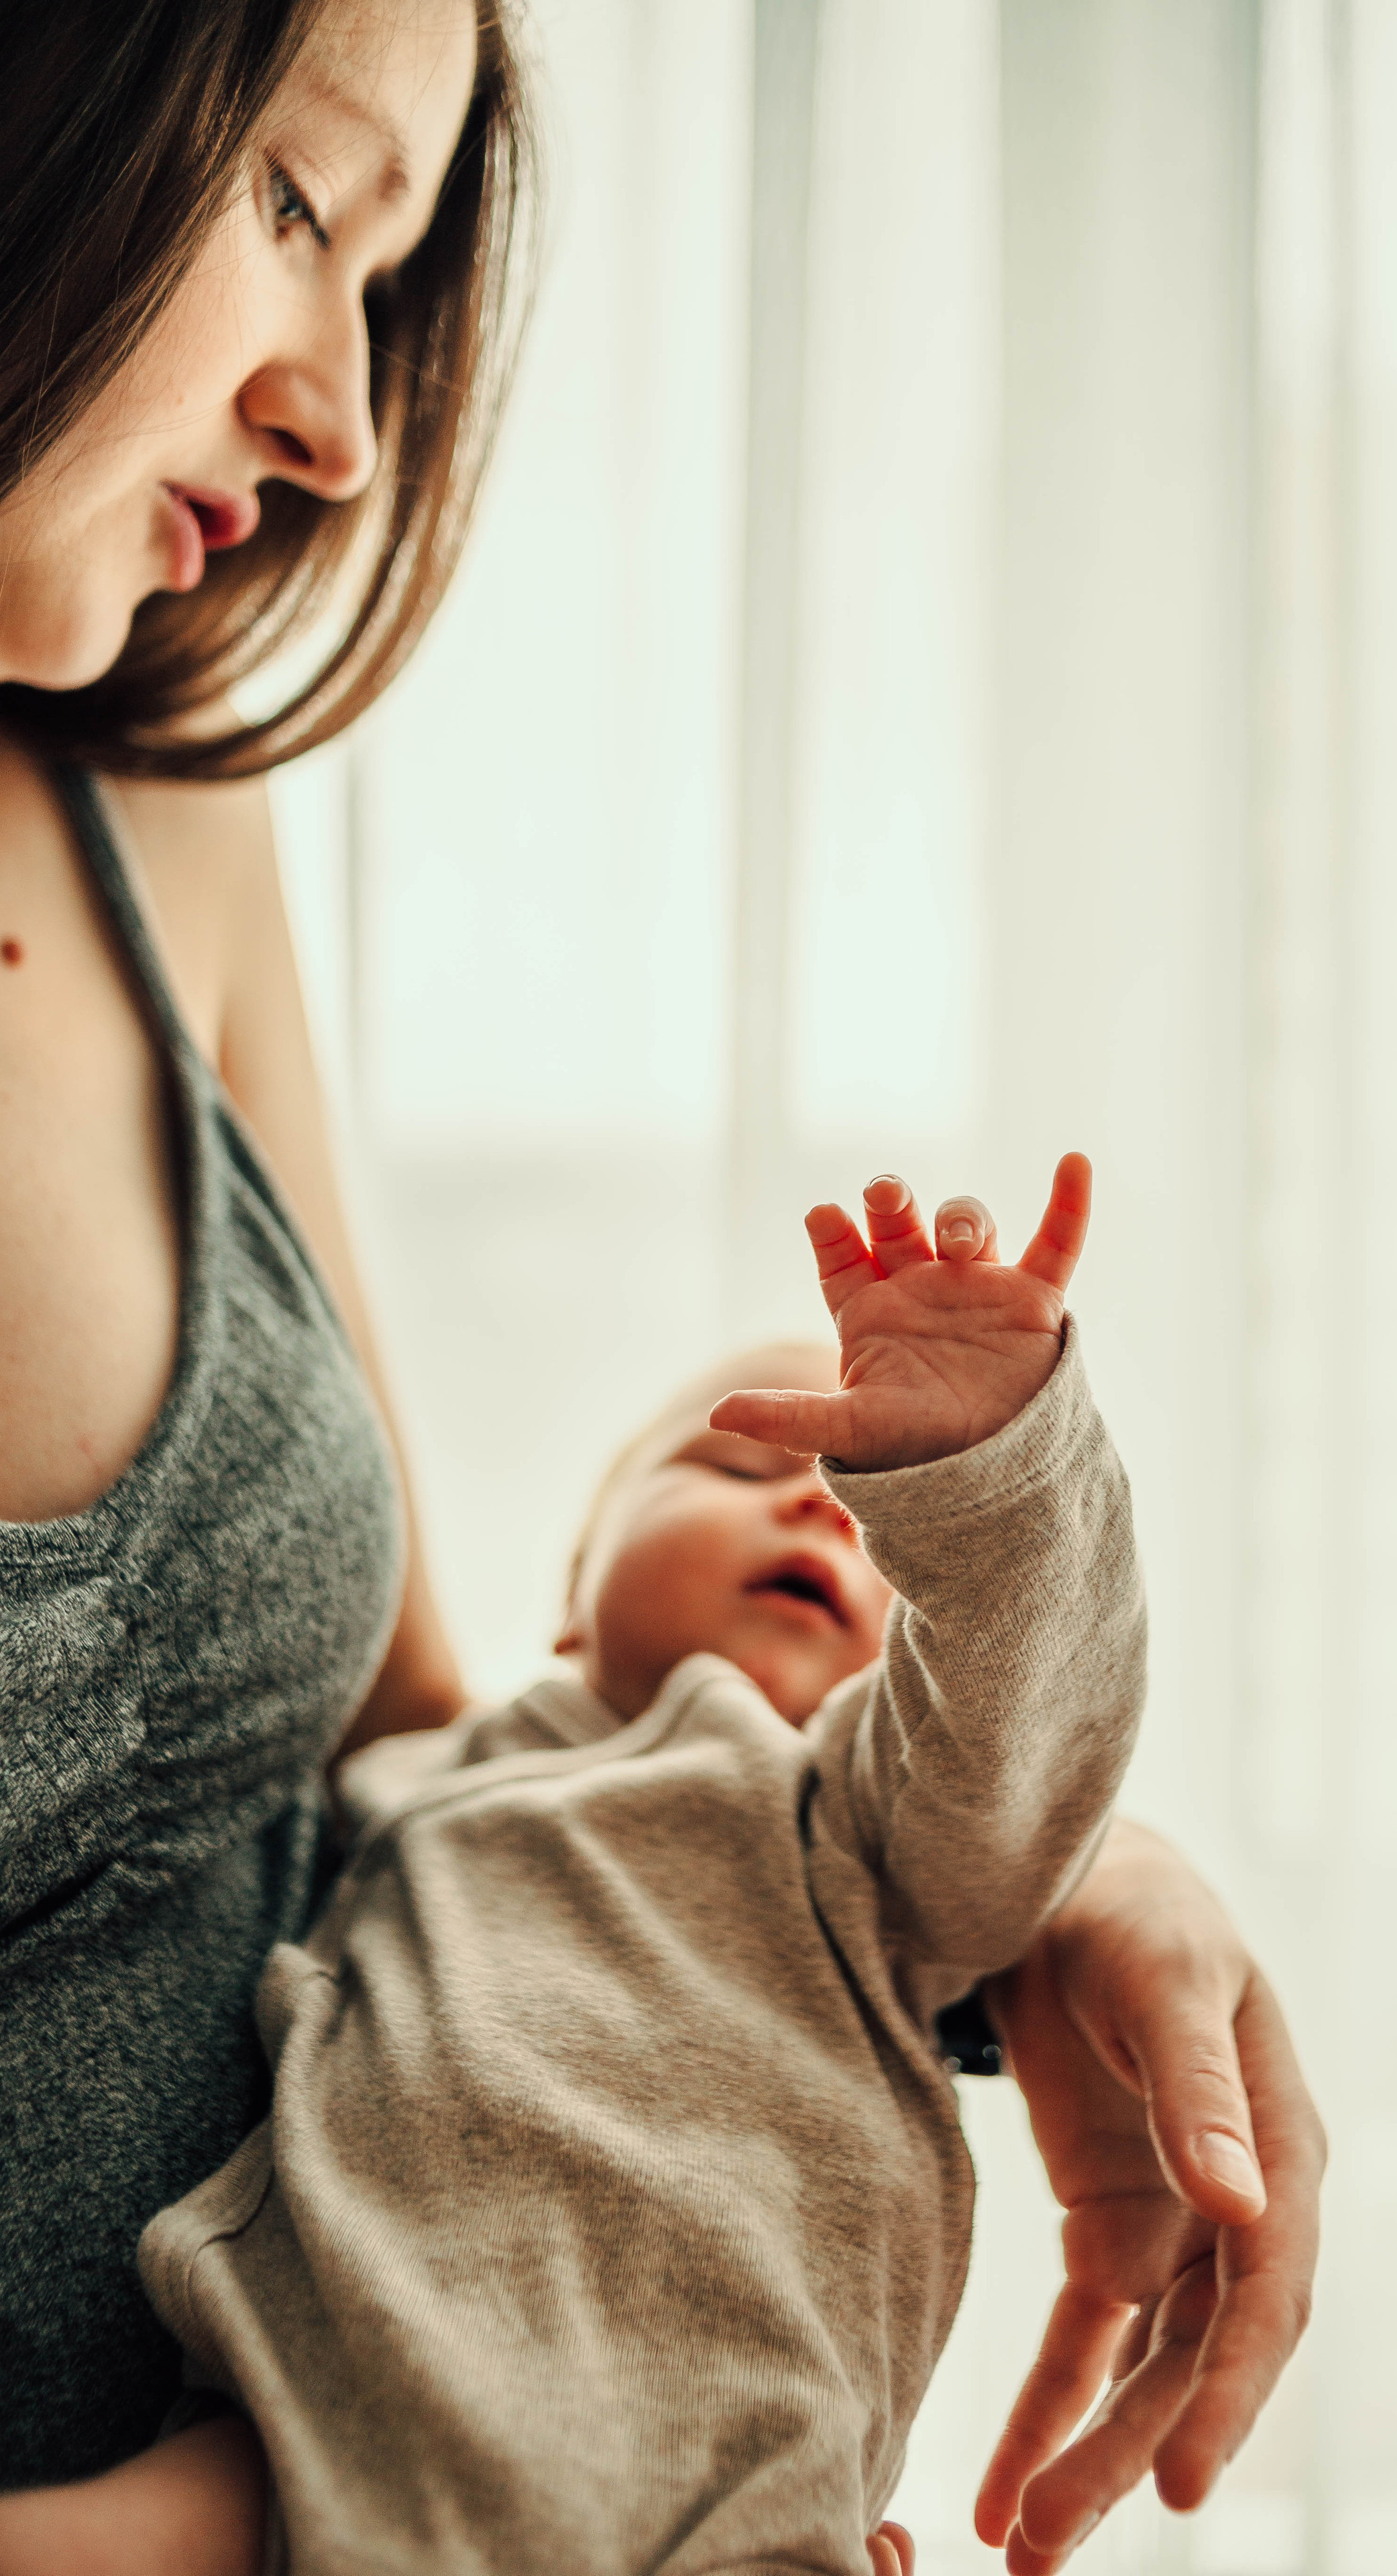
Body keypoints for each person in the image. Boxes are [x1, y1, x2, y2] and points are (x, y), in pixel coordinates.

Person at [0, 0, 1325, 2564]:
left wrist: (1021, 1875)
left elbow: (416, 1765)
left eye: (379, 277)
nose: (341, 430)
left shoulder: (168, 830)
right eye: (297, 198)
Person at [133, 1157, 1142, 2573]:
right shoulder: (408, 1773)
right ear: (566, 1596)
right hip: (322, 2410)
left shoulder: (852, 1809)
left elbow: (1017, 1741)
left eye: (870, 1524)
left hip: (726, 2450)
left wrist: (985, 1498)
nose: (811, 1510)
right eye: (736, 1466)